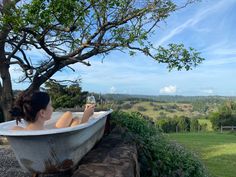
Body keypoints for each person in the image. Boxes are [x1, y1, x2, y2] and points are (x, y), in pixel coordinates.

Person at [9, 91, 95, 130]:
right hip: (55, 135)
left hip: (49, 129)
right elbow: (76, 137)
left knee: (71, 116)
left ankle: (78, 119)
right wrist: (85, 118)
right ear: (42, 112)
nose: (53, 108)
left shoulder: (16, 129)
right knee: (77, 120)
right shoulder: (49, 134)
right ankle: (82, 119)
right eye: (50, 105)